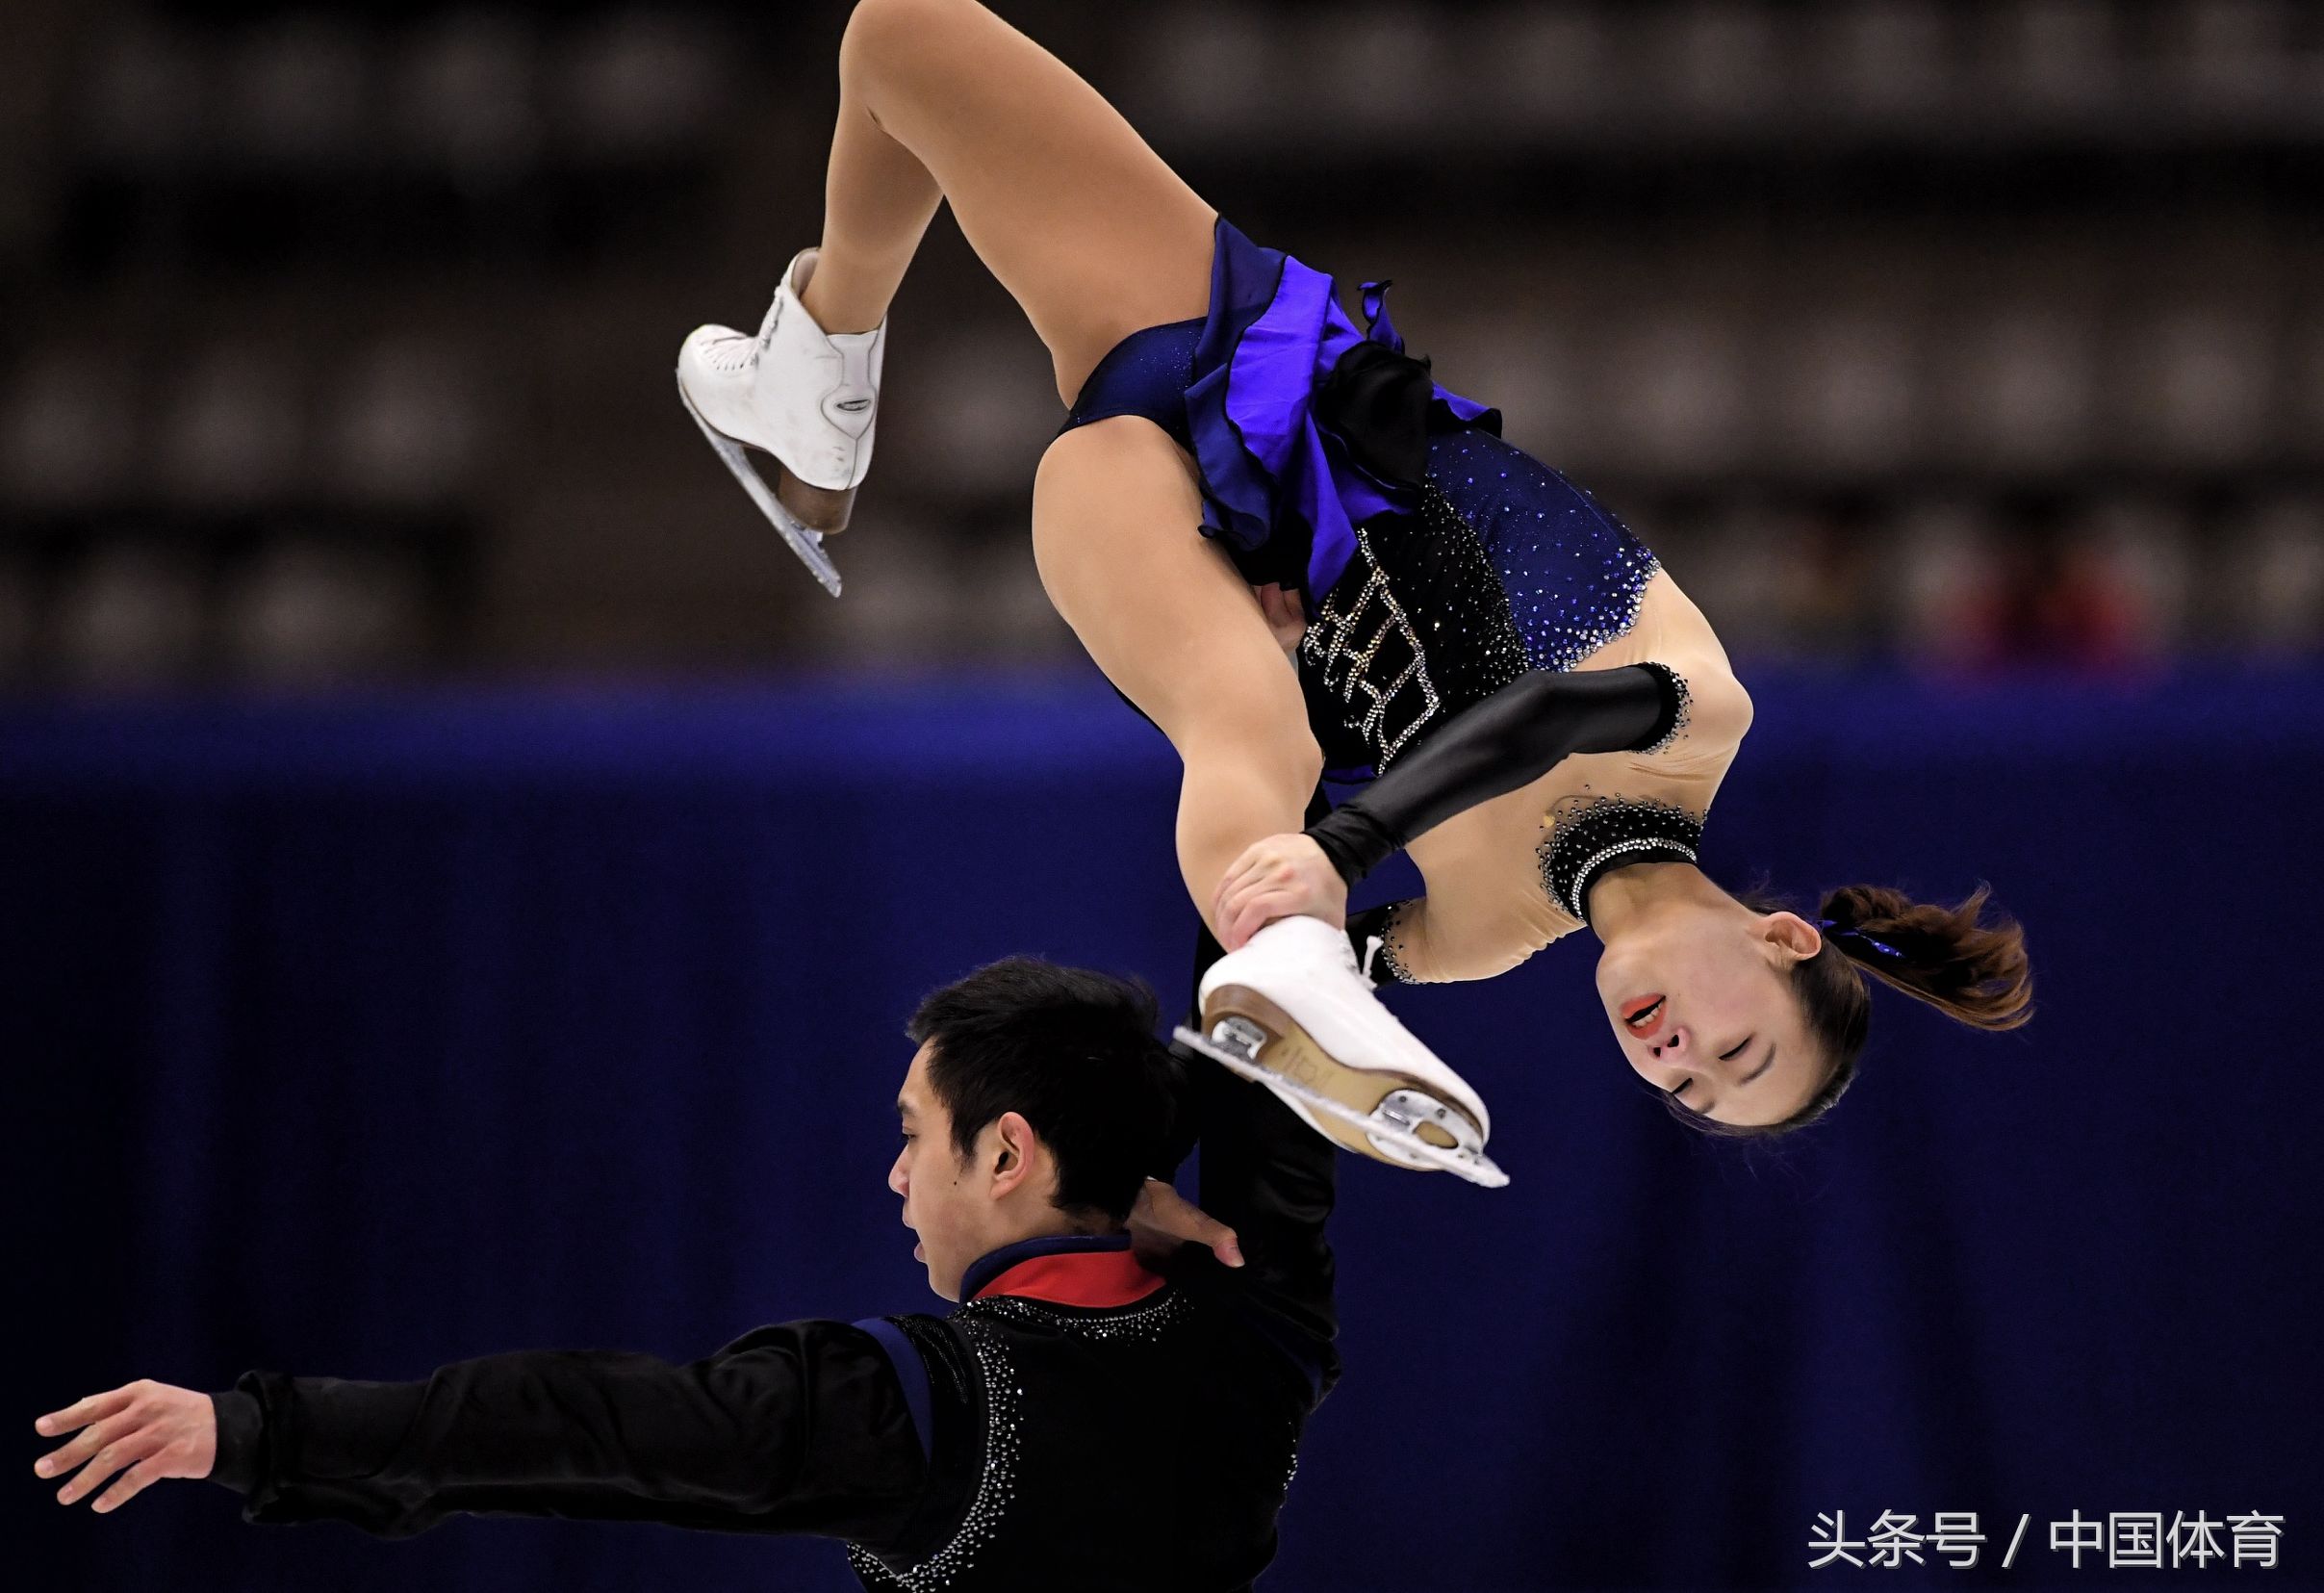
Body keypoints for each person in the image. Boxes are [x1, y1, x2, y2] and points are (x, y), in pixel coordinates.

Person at [676, 0, 2033, 1168]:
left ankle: (1300, 962)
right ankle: (817, 369)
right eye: (1739, 1047)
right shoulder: (1701, 724)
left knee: (1245, 724)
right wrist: (1341, 846)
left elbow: (1232, 996)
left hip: (1181, 537)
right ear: (1785, 940)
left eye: (1689, 1090)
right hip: (1268, 368)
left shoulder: (1477, 940)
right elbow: (1543, 722)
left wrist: (1283, 933)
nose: (1680, 1056)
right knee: (904, 37)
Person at [30, 958, 1338, 1592]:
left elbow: (581, 1425)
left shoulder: (920, 1410)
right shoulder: (1258, 1336)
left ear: (1005, 1152)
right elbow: (1288, 1001)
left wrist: (255, 1434)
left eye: (909, 1133)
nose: (894, 1178)